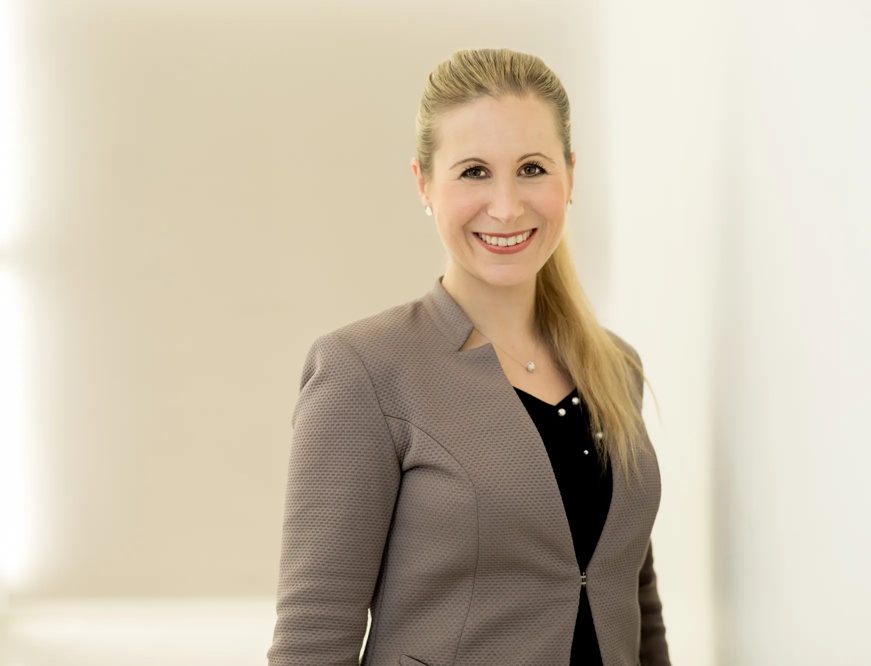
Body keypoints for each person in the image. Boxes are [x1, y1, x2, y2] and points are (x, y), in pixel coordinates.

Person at [267, 47, 671, 666]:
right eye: (474, 172)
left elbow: (634, 597)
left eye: (533, 168)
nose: (506, 206)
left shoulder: (617, 368)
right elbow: (314, 640)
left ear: (571, 175)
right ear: (424, 183)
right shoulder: (364, 371)